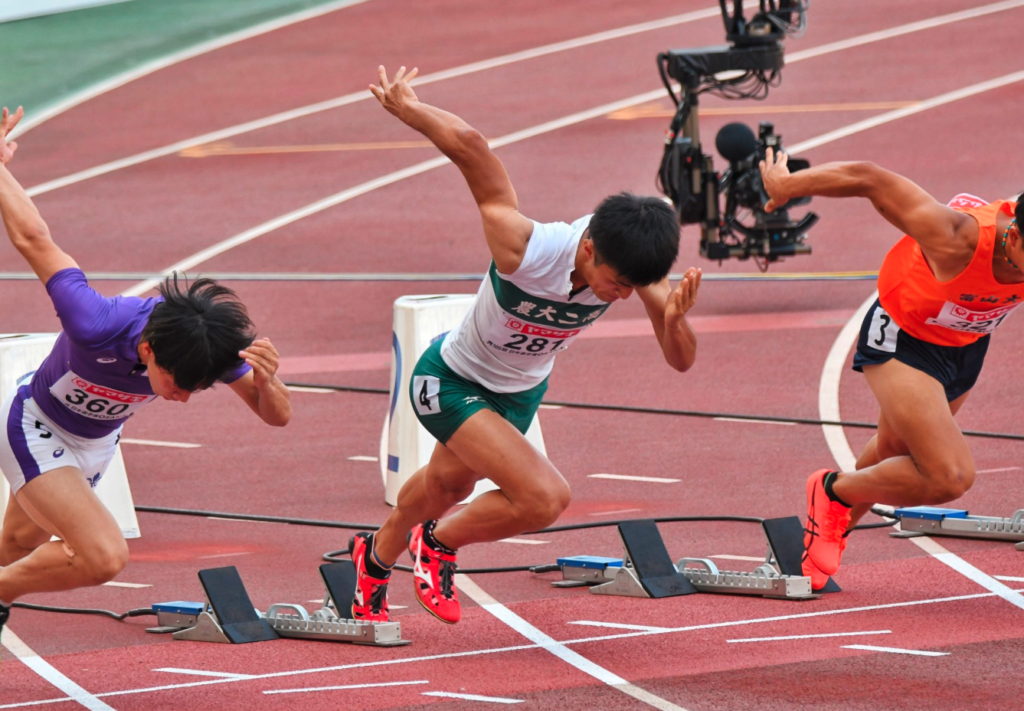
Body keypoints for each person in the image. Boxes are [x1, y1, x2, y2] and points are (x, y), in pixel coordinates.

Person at [352, 66, 701, 624]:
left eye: (635, 288)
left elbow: (682, 361)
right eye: (616, 282)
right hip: (450, 380)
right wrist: (409, 108)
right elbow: (472, 150)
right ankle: (437, 545)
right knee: (544, 498)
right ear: (587, 247)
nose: (623, 295)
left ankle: (370, 560)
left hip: (517, 396)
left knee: (444, 485)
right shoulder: (527, 247)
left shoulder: (638, 274)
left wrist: (674, 321)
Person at [0, 106, 293, 638]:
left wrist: (270, 382)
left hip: (97, 441)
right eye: (177, 386)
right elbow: (35, 239)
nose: (181, 399)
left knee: (15, 545)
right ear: (151, 350)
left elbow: (277, 418)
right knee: (102, 557)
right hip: (36, 426)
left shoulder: (207, 347)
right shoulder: (95, 321)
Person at [759, 147, 1024, 589]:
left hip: (965, 345)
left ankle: (824, 531)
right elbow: (871, 178)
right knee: (947, 475)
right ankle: (831, 490)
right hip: (903, 337)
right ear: (1014, 237)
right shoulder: (956, 236)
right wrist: (789, 186)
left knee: (895, 451)